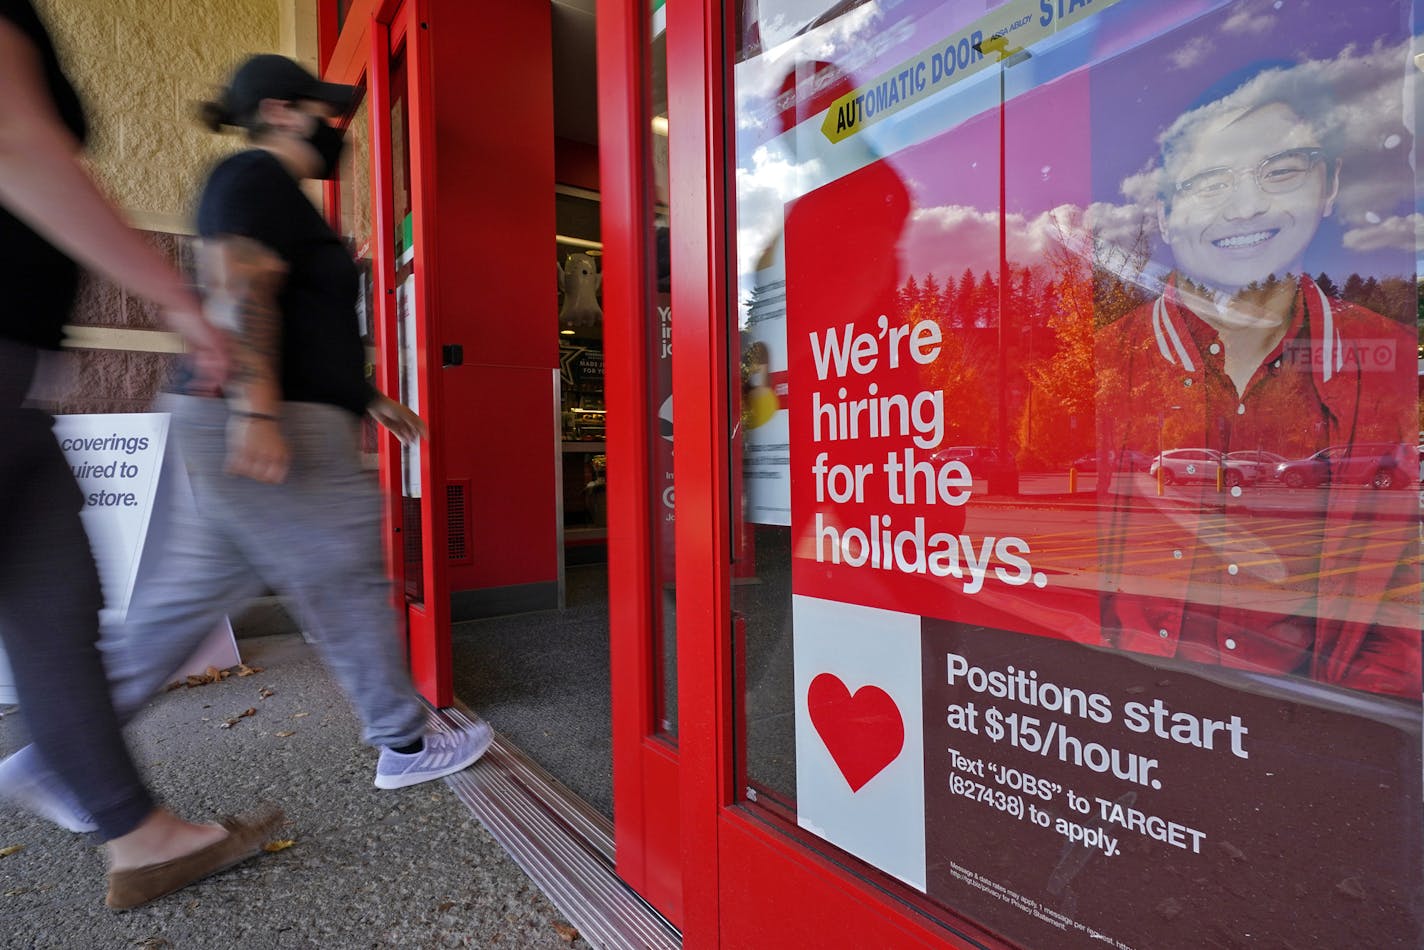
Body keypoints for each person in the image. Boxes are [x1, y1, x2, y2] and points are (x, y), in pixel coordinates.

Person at [1, 54, 491, 831]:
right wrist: (257, 411)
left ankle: (58, 758)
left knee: (177, 605)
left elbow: (296, 317)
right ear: (282, 110)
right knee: (344, 571)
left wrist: (366, 396)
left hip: (245, 411)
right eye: (326, 114)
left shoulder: (272, 193)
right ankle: (404, 741)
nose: (342, 133)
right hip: (271, 418)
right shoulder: (254, 177)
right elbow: (240, 285)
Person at [0, 0, 282, 909]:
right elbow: (16, 143)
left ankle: (138, 833)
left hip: (18, 375)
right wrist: (182, 302)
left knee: (59, 605)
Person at [1094, 66, 1419, 698]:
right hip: (1132, 734)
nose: (1246, 205)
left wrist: (1355, 738)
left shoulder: (1389, 357)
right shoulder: (1107, 362)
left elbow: (1402, 589)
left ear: (1328, 187)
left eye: (1282, 171)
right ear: (1166, 214)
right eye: (1211, 181)